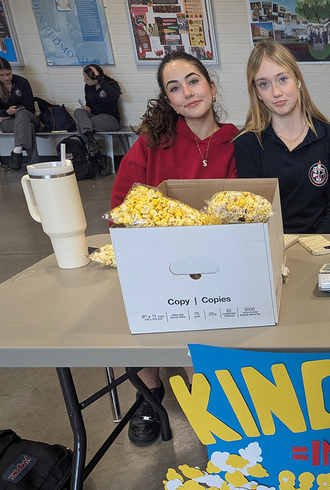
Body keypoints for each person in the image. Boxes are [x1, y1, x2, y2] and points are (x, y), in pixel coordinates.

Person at [110, 51, 237, 445]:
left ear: (211, 86)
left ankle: (201, 389)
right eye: (175, 87)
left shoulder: (240, 142)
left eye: (194, 81)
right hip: (157, 260)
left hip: (218, 263)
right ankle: (149, 392)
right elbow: (120, 209)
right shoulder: (151, 145)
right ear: (169, 100)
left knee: (201, 333)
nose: (188, 92)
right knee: (137, 312)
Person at [234, 40, 330, 234]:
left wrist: (316, 244)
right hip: (272, 240)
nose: (276, 92)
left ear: (298, 81)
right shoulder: (247, 142)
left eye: (283, 79)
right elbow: (254, 212)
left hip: (322, 240)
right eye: (264, 84)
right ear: (257, 93)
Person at [0, 57, 41, 170]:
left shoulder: (22, 82)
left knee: (23, 114)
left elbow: (30, 108)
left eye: (8, 74)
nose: (6, 78)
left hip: (28, 117)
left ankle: (17, 150)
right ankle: (34, 164)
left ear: (11, 70)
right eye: (2, 75)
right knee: (28, 127)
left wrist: (8, 114)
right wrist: (7, 112)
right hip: (9, 122)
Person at [73, 64, 122, 157]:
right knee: (78, 111)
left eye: (87, 79)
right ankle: (92, 142)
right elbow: (89, 103)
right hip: (95, 116)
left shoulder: (110, 85)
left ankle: (97, 155)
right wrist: (88, 109)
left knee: (80, 126)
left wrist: (100, 79)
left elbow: (115, 96)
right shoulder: (88, 87)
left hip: (110, 119)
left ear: (96, 78)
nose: (84, 81)